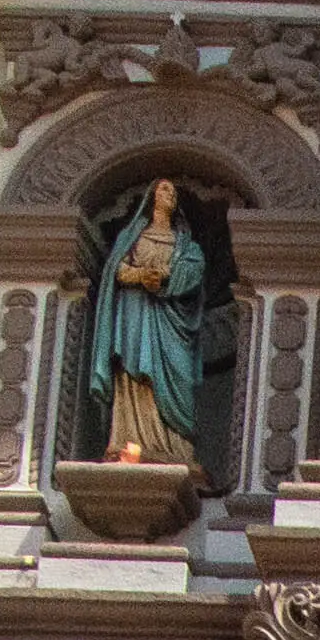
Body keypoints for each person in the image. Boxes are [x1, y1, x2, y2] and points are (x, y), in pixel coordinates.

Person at [80, 174, 213, 480]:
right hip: (135, 313)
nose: (170, 194)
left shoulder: (186, 245)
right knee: (133, 372)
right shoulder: (133, 236)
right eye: (165, 189)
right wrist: (140, 276)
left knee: (175, 377)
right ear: (152, 196)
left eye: (174, 192)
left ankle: (174, 448)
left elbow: (194, 272)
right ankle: (128, 442)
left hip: (170, 319)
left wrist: (166, 276)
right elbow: (116, 270)